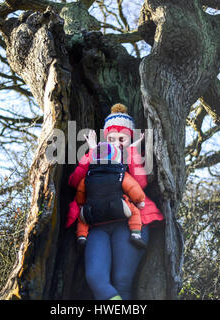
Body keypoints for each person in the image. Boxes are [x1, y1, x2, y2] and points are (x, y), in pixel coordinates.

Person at [67, 103, 164, 300]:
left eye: (122, 138)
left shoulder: (131, 155)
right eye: (111, 138)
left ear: (130, 138)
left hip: (129, 223)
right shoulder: (96, 156)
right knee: (95, 278)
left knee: (122, 280)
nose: (117, 142)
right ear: (105, 139)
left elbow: (141, 183)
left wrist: (133, 152)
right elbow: (74, 181)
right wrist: (93, 153)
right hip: (97, 226)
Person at [75, 142, 147, 249]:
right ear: (117, 157)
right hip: (118, 208)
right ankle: (136, 234)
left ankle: (81, 237)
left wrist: (81, 204)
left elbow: (80, 191)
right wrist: (140, 200)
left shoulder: (88, 177)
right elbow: (133, 188)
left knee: (82, 219)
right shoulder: (121, 174)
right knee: (135, 211)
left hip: (93, 212)